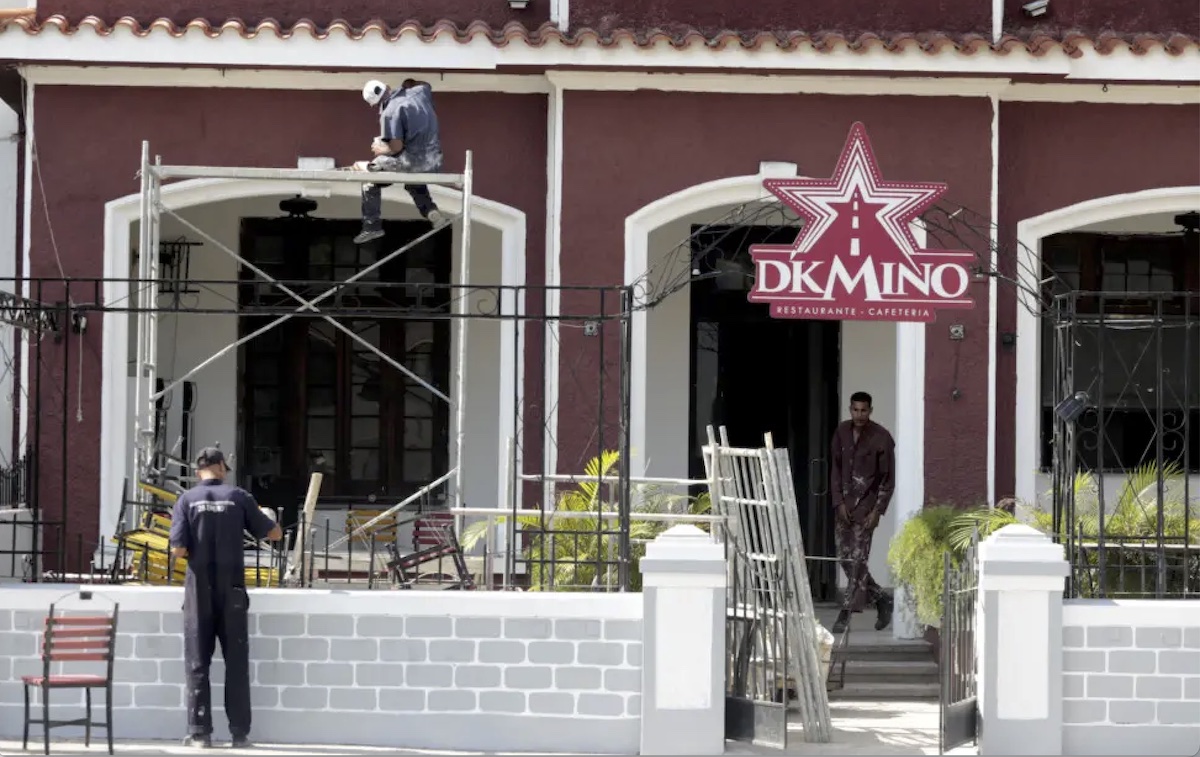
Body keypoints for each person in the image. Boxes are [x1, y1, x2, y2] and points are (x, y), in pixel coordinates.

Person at [169, 446, 283, 749]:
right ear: (221, 467)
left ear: (198, 471)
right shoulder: (238, 497)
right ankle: (239, 734)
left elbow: (178, 550)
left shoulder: (186, 500)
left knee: (197, 662)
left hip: (198, 591)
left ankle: (200, 733)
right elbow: (275, 534)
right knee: (236, 662)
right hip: (232, 590)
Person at [829, 391, 895, 634]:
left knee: (857, 561)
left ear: (870, 410)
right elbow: (835, 470)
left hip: (866, 508)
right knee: (846, 560)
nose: (859, 414)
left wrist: (878, 511)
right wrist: (838, 502)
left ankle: (845, 615)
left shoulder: (881, 438)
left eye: (863, 410)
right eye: (855, 410)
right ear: (850, 409)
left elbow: (888, 479)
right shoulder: (842, 432)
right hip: (844, 507)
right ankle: (881, 598)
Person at [354, 78, 448, 245]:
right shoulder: (419, 93)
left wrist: (380, 149)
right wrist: (407, 83)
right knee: (412, 179)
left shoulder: (388, 113)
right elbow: (425, 84)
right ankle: (431, 211)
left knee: (370, 178)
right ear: (388, 87)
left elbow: (396, 148)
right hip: (434, 160)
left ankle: (371, 226)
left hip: (413, 161)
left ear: (374, 104)